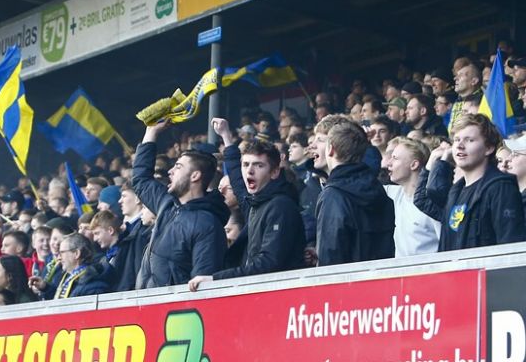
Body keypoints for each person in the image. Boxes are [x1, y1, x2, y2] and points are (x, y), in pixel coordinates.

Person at [189, 118, 305, 291]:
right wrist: (226, 136)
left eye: (258, 165)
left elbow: (269, 263)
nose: (249, 170)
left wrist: (217, 279)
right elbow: (236, 176)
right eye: (246, 164)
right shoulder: (255, 203)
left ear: (274, 172)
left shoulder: (281, 206)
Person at [132, 120, 230, 288]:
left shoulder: (207, 224)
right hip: (147, 307)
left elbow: (203, 284)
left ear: (195, 176)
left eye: (178, 167)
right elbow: (141, 180)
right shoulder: (167, 205)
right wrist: (151, 133)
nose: (170, 171)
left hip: (174, 311)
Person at [415, 114, 526, 251]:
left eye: (469, 140)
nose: (460, 146)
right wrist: (443, 161)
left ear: (489, 148)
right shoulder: (456, 191)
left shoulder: (500, 187)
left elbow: (510, 248)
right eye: (456, 140)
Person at [312, 115, 395, 266]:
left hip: (345, 285)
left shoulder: (333, 194)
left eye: (320, 141)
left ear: (331, 149)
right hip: (379, 282)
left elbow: (330, 257)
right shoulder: (379, 190)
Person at [385, 137, 441, 257]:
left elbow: (447, 246)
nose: (388, 163)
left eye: (395, 158)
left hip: (430, 273)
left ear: (414, 164)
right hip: (402, 274)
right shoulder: (395, 194)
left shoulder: (432, 203)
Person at [29, 233, 114, 299]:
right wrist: (45, 287)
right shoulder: (68, 278)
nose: (59, 257)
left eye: (62, 252)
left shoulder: (93, 284)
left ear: (76, 254)